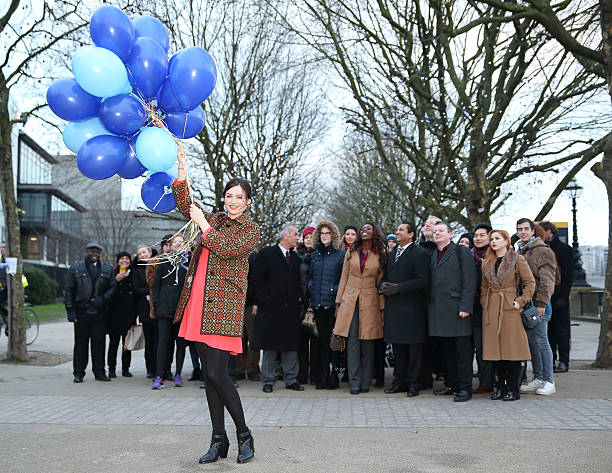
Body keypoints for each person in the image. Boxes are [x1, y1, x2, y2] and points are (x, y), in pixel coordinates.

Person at [172, 156, 260, 464]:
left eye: (239, 197)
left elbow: (225, 247)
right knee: (209, 378)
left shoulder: (250, 229)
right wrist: (181, 166)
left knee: (217, 374)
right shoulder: (216, 220)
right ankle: (217, 440)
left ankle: (244, 435)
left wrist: (204, 224)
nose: (233, 201)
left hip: (223, 309)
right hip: (198, 303)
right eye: (229, 196)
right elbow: (185, 204)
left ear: (247, 201)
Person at [481, 230, 535, 401]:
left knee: (512, 351)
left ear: (506, 241)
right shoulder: (488, 262)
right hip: (492, 309)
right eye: (491, 239)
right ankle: (501, 388)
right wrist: (485, 303)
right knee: (495, 352)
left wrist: (520, 301)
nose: (493, 242)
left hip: (510, 308)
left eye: (497, 238)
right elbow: (483, 286)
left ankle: (513, 389)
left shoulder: (517, 259)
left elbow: (530, 282)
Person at [333, 223, 386, 394]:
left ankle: (365, 381)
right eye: (362, 229)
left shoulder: (380, 254)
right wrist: (338, 303)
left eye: (368, 229)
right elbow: (343, 277)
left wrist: (382, 307)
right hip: (350, 300)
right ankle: (354, 382)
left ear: (375, 233)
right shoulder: (351, 252)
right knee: (353, 341)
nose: (364, 231)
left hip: (370, 300)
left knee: (368, 342)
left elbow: (381, 283)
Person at [252, 224, 305, 393]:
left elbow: (298, 283)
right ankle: (268, 380)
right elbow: (257, 280)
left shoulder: (296, 259)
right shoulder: (267, 254)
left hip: (290, 311)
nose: (298, 238)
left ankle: (291, 379)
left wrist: (299, 301)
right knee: (270, 346)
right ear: (285, 235)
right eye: (295, 234)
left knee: (290, 345)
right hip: (270, 310)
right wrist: (265, 301)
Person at [428, 222, 477, 402]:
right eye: (434, 232)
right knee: (447, 350)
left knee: (462, 351)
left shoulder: (460, 251)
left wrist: (466, 306)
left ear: (450, 234)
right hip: (439, 310)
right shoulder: (434, 254)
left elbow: (469, 279)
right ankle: (452, 383)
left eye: (441, 231)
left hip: (457, 309)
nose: (437, 234)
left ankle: (464, 388)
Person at [380, 222, 429, 397]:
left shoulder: (419, 254)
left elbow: (422, 280)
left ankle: (414, 384)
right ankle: (399, 381)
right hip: (395, 308)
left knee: (414, 349)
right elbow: (386, 276)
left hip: (413, 309)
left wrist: (399, 288)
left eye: (401, 230)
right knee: (398, 348)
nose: (397, 232)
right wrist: (383, 285)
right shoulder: (392, 255)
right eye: (397, 230)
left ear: (411, 235)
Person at [516, 218, 557, 396]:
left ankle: (549, 381)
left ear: (533, 231)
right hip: (526, 305)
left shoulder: (543, 251)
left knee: (542, 342)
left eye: (526, 229)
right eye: (520, 229)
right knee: (533, 344)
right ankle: (538, 377)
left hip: (539, 305)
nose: (523, 232)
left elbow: (548, 280)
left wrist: (542, 303)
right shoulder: (520, 250)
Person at [64, 242, 114, 383]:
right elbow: (68, 290)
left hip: (99, 312)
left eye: (97, 252)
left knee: (99, 343)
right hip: (82, 311)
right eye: (92, 251)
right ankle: (79, 372)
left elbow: (112, 287)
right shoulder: (75, 268)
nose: (94, 254)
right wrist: (70, 311)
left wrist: (103, 299)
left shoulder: (107, 269)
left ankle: (99, 372)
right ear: (86, 252)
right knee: (81, 344)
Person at [308, 220, 345, 389]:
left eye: (327, 233)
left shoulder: (340, 255)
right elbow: (310, 277)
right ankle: (321, 377)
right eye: (322, 233)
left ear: (333, 235)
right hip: (318, 305)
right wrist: (311, 289)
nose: (324, 236)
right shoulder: (314, 255)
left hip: (334, 305)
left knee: (334, 343)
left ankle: (333, 376)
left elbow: (342, 279)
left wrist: (333, 290)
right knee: (321, 343)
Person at [152, 234, 190, 389]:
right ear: (170, 244)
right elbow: (156, 285)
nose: (178, 244)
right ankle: (159, 375)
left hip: (181, 309)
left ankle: (178, 374)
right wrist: (157, 304)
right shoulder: (163, 261)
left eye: (181, 242)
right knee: (163, 342)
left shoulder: (188, 263)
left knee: (180, 343)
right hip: (164, 308)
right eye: (175, 242)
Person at [540, 221, 573, 373]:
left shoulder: (565, 250)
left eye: (541, 231)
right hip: (548, 298)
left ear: (549, 231)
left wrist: (563, 297)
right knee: (549, 331)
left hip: (560, 298)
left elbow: (568, 276)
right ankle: (551, 360)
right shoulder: (542, 249)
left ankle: (564, 361)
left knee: (562, 331)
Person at [471, 223, 495, 394]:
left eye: (482, 235)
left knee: (495, 346)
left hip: (494, 307)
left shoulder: (495, 257)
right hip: (475, 309)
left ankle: (501, 380)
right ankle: (485, 381)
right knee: (480, 347)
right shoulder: (469, 256)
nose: (478, 238)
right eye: (476, 235)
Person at [107, 251, 137, 378]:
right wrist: (116, 281)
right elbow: (107, 292)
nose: (124, 261)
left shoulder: (133, 274)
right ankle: (111, 369)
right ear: (117, 261)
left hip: (129, 315)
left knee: (127, 345)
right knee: (113, 343)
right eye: (122, 259)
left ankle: (126, 368)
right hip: (114, 315)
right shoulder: (112, 273)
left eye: (127, 258)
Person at [296, 226, 319, 386]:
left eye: (312, 237)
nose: (309, 239)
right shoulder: (298, 256)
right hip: (300, 303)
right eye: (306, 237)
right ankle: (302, 374)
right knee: (301, 342)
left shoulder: (320, 255)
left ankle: (316, 375)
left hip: (317, 302)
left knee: (316, 340)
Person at [234, 250, 261, 382]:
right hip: (235, 303)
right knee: (239, 338)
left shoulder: (254, 256)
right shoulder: (234, 254)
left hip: (250, 303)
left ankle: (252, 369)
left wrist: (256, 301)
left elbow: (257, 280)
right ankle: (239, 368)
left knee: (252, 338)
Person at [133, 245, 157, 378]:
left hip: (158, 308)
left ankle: (162, 368)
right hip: (144, 309)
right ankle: (150, 369)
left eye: (144, 252)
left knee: (159, 341)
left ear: (149, 252)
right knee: (149, 341)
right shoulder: (137, 270)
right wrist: (151, 291)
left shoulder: (157, 265)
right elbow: (137, 289)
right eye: (139, 254)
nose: (142, 255)